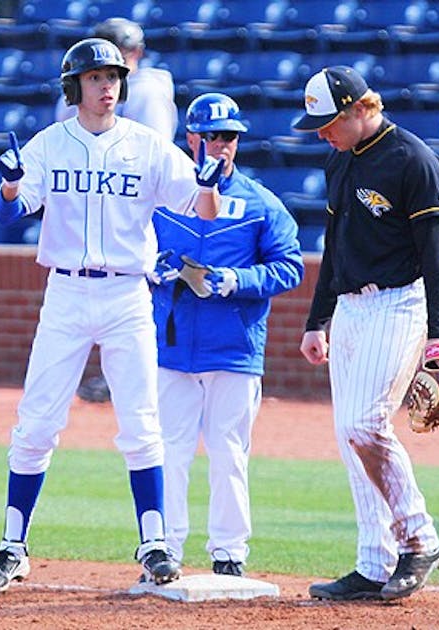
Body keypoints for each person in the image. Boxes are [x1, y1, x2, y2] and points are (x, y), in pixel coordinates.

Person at [0, 37, 224, 596]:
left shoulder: (149, 145)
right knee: (37, 421)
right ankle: (13, 546)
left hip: (126, 295)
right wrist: (12, 184)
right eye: (94, 78)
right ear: (75, 86)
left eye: (112, 76)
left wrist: (209, 186)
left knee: (141, 423)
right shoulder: (49, 143)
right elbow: (7, 215)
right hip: (65, 292)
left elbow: (201, 209)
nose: (107, 85)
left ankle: (154, 544)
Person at [293, 66, 439, 601]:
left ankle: (419, 539)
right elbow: (334, 244)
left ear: (360, 107)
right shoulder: (339, 159)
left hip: (399, 303)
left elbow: (435, 253)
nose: (321, 132)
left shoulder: (412, 159)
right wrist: (318, 319)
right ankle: (374, 561)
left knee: (365, 425)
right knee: (348, 437)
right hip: (351, 310)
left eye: (328, 121)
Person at [151, 93, 304, 577]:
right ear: (191, 138)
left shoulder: (261, 203)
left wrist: (239, 280)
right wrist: (151, 268)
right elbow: (130, 244)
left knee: (228, 452)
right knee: (167, 451)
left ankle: (229, 553)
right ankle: (164, 549)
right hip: (171, 342)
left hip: (234, 345)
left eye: (230, 137)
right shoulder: (166, 194)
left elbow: (290, 267)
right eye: (213, 136)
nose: (221, 146)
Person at [62, 17, 180, 403]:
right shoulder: (78, 85)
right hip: (93, 203)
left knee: (141, 289)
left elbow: (155, 153)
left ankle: (135, 376)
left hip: (140, 202)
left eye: (122, 50)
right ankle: (114, 374)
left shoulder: (146, 88)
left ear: (137, 53)